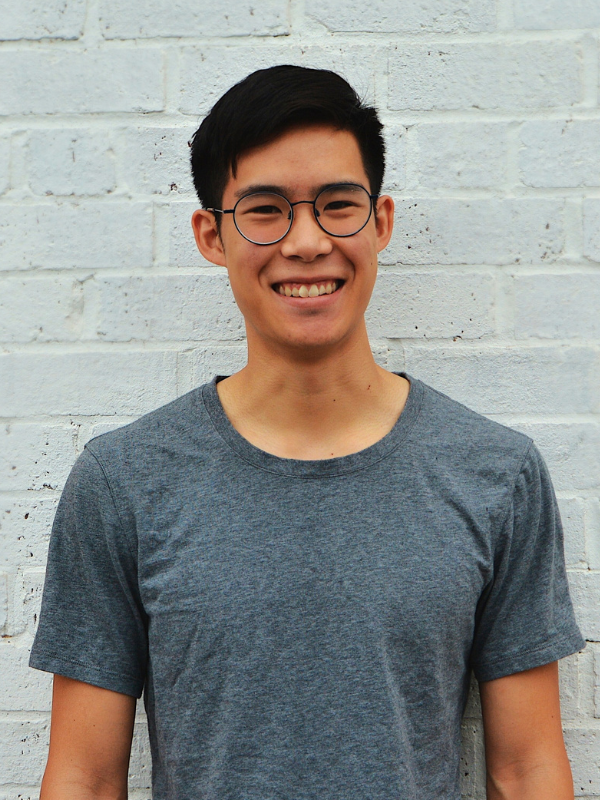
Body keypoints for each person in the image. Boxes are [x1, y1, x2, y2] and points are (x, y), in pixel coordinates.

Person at [31, 65, 584, 800]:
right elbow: (84, 777)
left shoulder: (494, 472)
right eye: (264, 210)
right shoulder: (124, 481)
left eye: (336, 205)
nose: (306, 242)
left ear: (380, 222)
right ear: (211, 235)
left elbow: (527, 770)